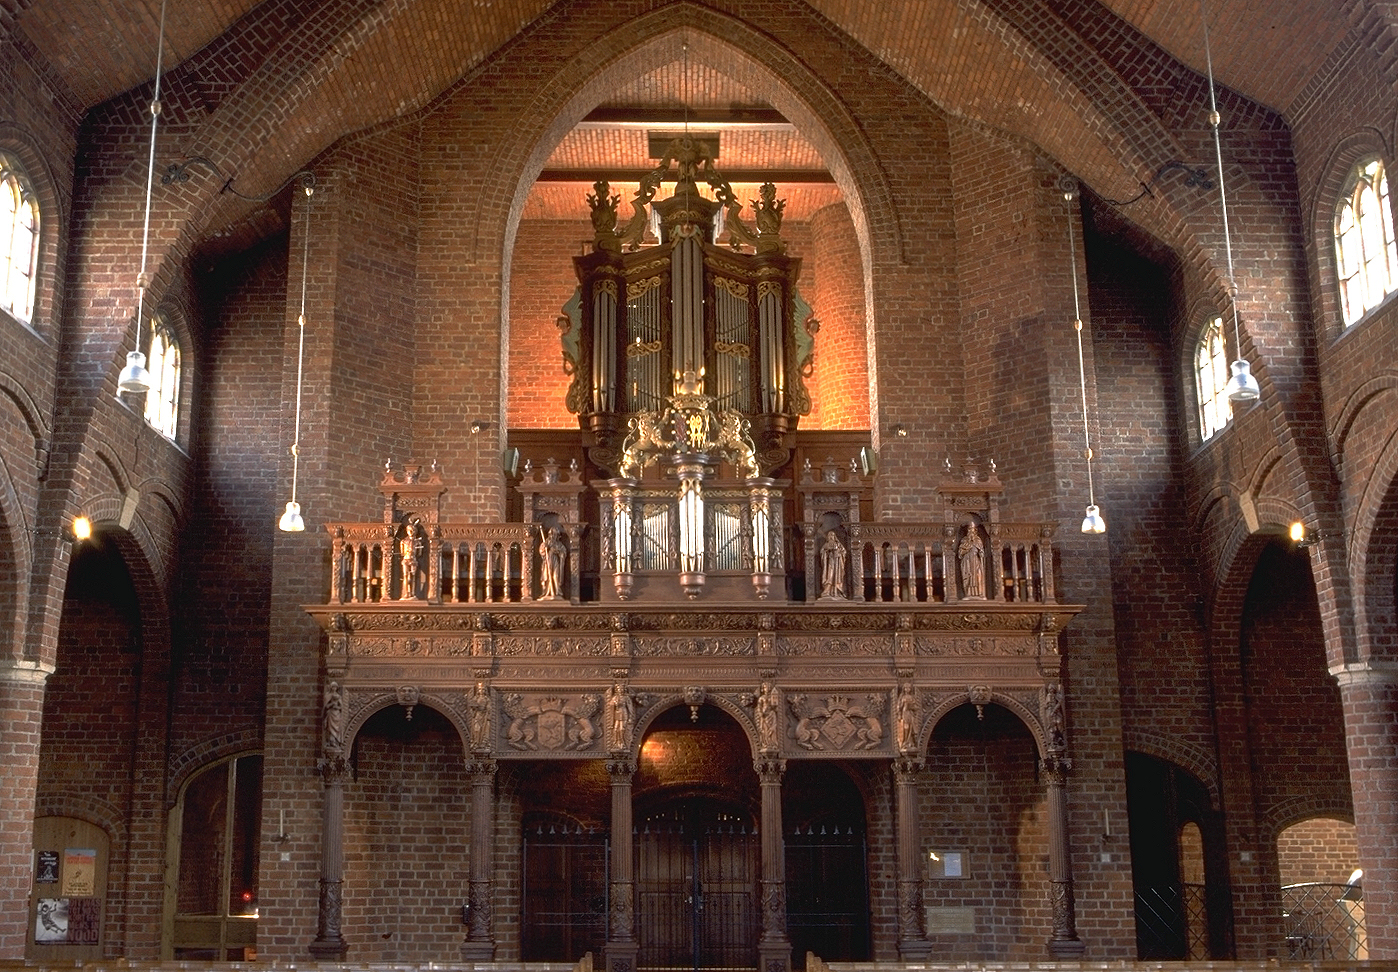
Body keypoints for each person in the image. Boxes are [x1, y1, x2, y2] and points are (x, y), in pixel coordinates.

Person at [539, 525, 566, 600]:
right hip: (548, 560)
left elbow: (563, 551)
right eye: (552, 534)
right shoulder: (546, 542)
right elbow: (541, 550)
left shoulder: (559, 544)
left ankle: (557, 592)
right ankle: (547, 592)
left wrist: (558, 551)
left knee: (555, 576)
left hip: (555, 560)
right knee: (547, 575)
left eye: (555, 534)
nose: (553, 536)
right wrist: (545, 549)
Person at [958, 525, 985, 599]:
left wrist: (981, 553)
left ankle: (979, 593)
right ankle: (968, 593)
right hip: (967, 561)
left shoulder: (978, 540)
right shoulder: (964, 540)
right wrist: (967, 548)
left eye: (972, 529)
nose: (970, 531)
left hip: (975, 560)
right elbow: (960, 553)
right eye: (969, 529)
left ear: (975, 531)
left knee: (977, 575)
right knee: (968, 576)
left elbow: (981, 551)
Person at [819, 530, 848, 599]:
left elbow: (844, 552)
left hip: (837, 564)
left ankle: (837, 591)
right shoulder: (826, 545)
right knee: (829, 576)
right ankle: (827, 591)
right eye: (830, 535)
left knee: (837, 577)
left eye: (832, 535)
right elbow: (822, 553)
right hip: (829, 564)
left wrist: (838, 552)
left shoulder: (838, 545)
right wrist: (827, 551)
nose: (831, 537)